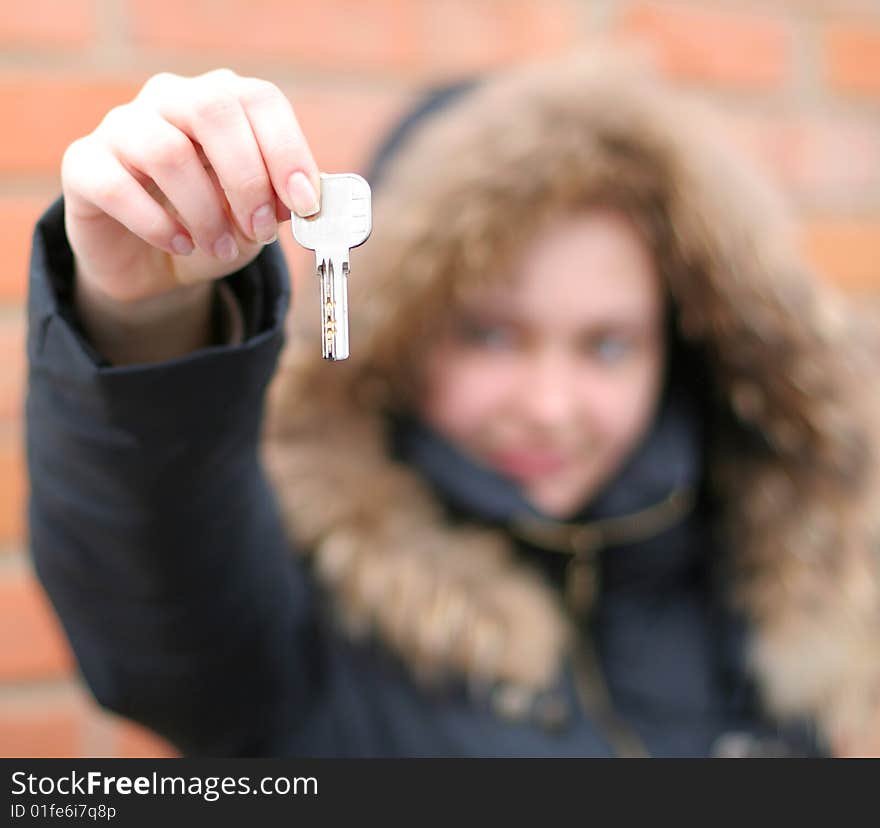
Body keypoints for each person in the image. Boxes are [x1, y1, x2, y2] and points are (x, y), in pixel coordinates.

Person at [25, 50, 880, 758]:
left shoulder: (764, 581)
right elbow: (153, 599)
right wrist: (150, 320)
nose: (550, 407)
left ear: (683, 344)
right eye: (490, 336)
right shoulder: (304, 604)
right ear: (405, 333)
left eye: (607, 345)